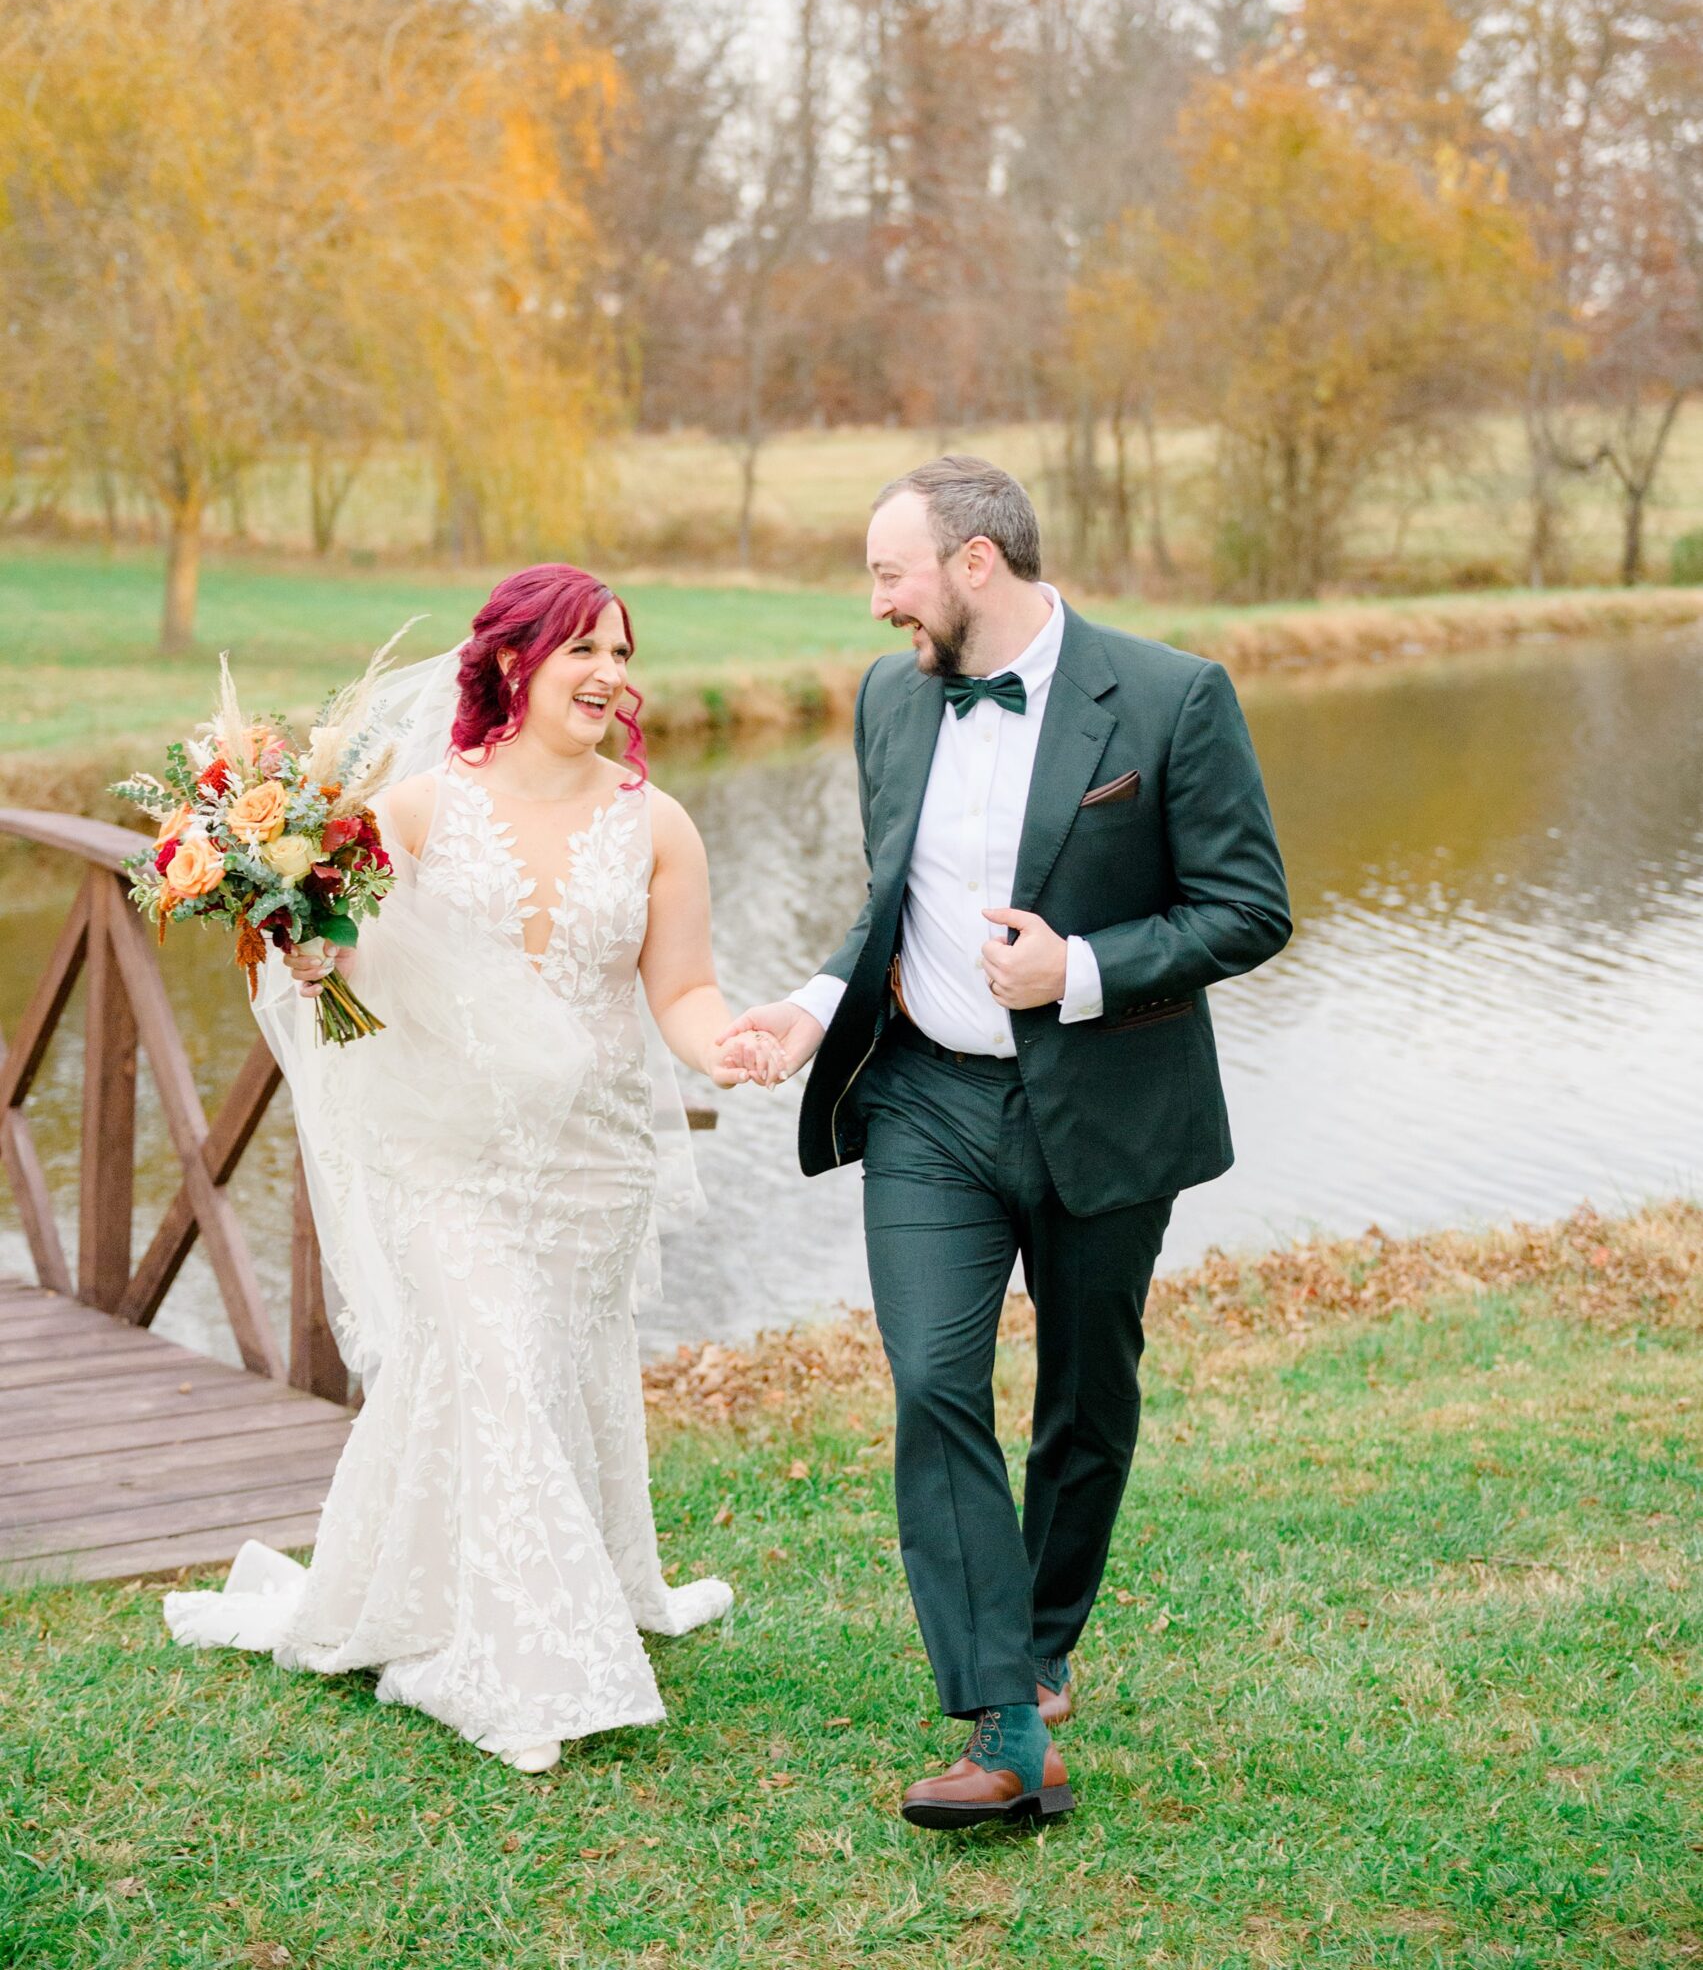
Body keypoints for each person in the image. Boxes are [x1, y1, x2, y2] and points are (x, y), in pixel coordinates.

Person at [724, 458, 1290, 1829]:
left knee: (1084, 1399)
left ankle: (1039, 1648)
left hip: (1101, 1102)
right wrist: (812, 1009)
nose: (874, 605)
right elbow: (888, 896)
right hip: (924, 1101)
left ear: (973, 564)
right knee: (929, 1382)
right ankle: (1001, 1724)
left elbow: (1248, 908)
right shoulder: (883, 698)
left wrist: (1079, 970)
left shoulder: (1170, 697)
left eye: (888, 572)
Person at [164, 565, 781, 1771]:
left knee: (536, 1374)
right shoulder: (415, 812)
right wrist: (311, 961)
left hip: (593, 1163)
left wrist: (731, 1044)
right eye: (581, 651)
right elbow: (345, 954)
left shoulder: (657, 824)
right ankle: (515, 1675)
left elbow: (685, 994)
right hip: (446, 1161)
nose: (609, 674)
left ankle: (463, 1581)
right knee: (495, 1358)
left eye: (619, 650)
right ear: (511, 663)